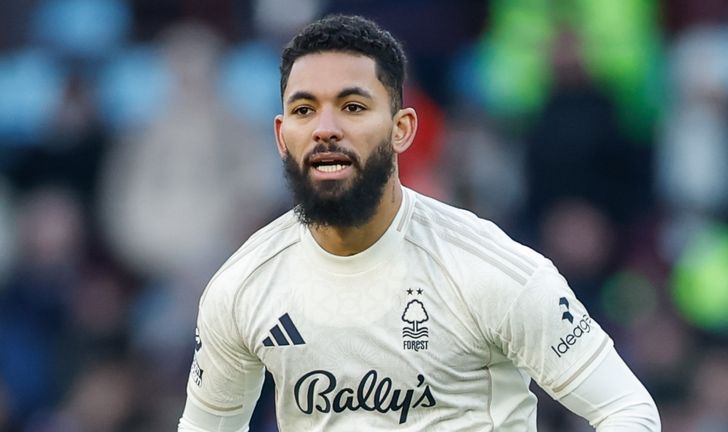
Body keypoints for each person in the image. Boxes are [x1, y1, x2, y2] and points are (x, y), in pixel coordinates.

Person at [178, 14, 660, 431]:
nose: (326, 128)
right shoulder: (242, 287)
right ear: (283, 136)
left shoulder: (488, 270)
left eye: (353, 107)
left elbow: (629, 409)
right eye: (305, 110)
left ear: (402, 129)